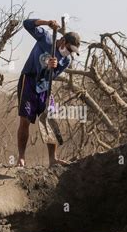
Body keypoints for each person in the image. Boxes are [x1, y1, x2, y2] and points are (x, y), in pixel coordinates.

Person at [17, 18, 81, 167]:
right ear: (63, 41)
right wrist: (46, 22)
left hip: (45, 86)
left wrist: (52, 68)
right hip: (29, 81)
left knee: (50, 120)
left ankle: (52, 159)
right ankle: (21, 158)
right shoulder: (45, 38)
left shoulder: (65, 61)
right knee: (25, 120)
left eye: (72, 51)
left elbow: (50, 77)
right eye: (69, 49)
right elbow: (26, 24)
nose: (69, 53)